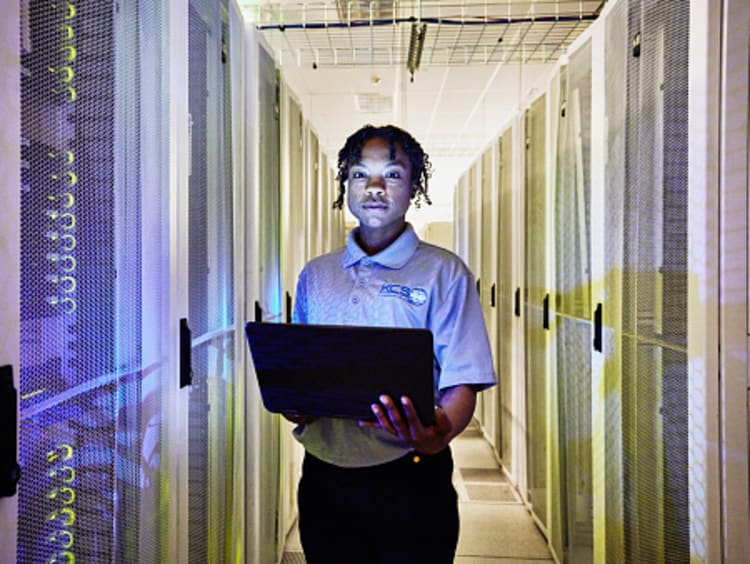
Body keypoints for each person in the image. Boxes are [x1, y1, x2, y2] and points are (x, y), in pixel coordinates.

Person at [288, 124, 496, 563]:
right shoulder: (317, 275)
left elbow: (462, 380)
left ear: (414, 187)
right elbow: (301, 371)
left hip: (410, 478)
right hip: (325, 478)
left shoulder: (444, 273)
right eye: (361, 175)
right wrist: (296, 401)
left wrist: (437, 435)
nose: (375, 188)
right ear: (347, 185)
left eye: (393, 175)